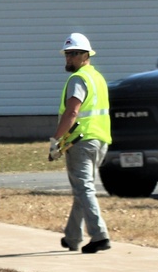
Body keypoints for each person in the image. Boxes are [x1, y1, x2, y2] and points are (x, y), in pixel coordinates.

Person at [48, 32, 112, 253]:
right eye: (67, 54)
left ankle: (99, 235)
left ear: (86, 55)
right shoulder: (97, 78)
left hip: (80, 141)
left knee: (83, 188)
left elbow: (72, 111)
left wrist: (55, 140)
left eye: (73, 54)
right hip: (99, 140)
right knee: (82, 189)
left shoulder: (78, 79)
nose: (68, 58)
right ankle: (73, 236)